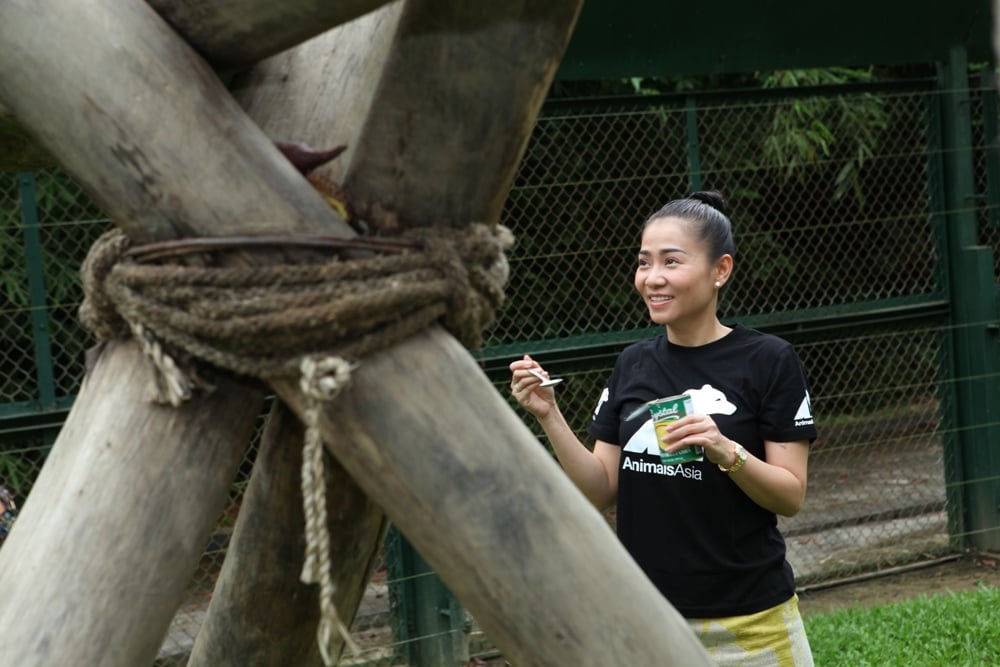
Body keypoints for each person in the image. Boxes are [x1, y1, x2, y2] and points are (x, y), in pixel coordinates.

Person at [509, 191, 816, 666]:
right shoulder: (633, 364)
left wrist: (725, 450)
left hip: (751, 619)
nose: (652, 278)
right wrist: (549, 415)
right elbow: (599, 489)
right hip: (644, 617)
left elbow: (790, 495)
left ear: (721, 270)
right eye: (643, 262)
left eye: (671, 262)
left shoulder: (769, 360)